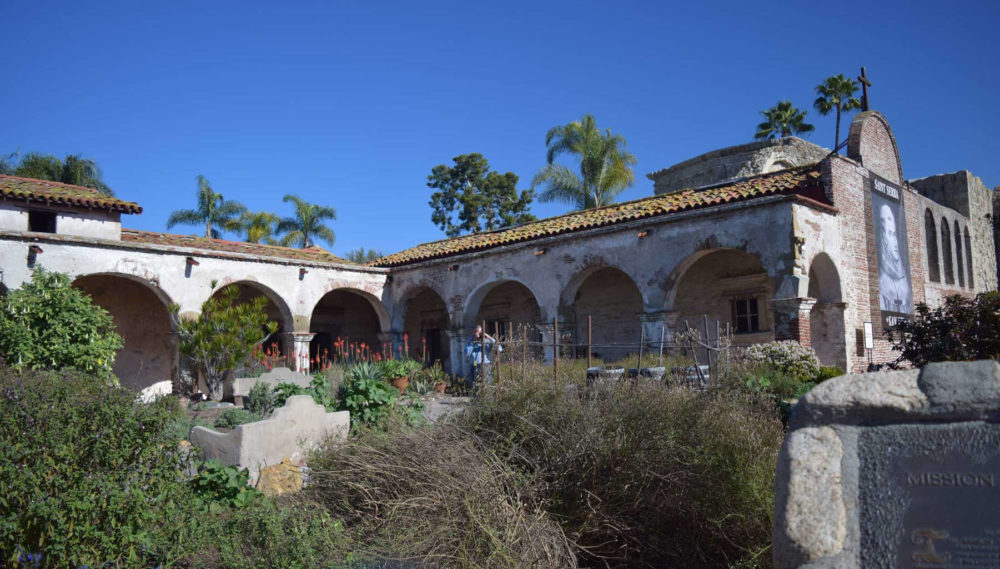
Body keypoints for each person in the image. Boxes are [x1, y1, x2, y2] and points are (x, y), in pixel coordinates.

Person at [877, 204, 912, 314]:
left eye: (894, 235)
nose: (894, 242)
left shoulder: (905, 279)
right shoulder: (882, 282)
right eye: (889, 235)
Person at [465, 325, 502, 390]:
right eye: (477, 332)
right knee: (475, 384)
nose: (479, 335)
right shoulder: (470, 340)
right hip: (474, 364)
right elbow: (467, 354)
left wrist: (489, 337)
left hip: (485, 365)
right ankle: (476, 399)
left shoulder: (486, 340)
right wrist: (473, 343)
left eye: (480, 333)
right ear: (474, 332)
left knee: (487, 383)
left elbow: (500, 349)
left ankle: (488, 399)